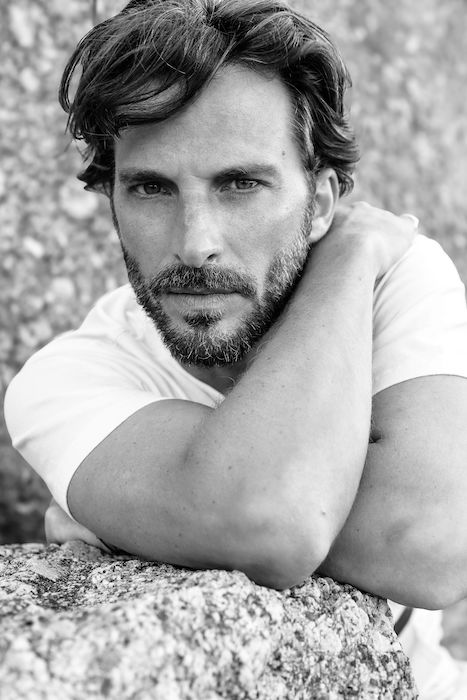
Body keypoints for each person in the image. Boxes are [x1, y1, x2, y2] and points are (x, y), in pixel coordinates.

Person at [4, 0, 467, 696]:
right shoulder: (66, 380)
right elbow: (272, 521)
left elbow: (429, 545)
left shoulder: (386, 275)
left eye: (240, 184)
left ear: (321, 202)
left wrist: (161, 517)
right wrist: (228, 512)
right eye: (151, 188)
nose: (195, 243)